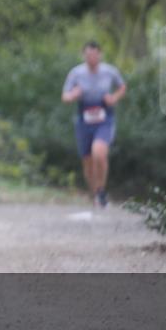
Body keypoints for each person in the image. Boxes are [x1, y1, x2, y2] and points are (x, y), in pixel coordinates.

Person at [61, 41, 126, 209]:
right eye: (88, 55)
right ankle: (95, 193)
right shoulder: (76, 73)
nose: (92, 58)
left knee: (99, 153)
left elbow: (122, 87)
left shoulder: (109, 71)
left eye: (94, 55)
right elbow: (65, 97)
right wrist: (73, 95)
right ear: (84, 56)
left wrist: (114, 98)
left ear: (100, 54)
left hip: (104, 118)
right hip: (84, 118)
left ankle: (101, 191)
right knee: (88, 160)